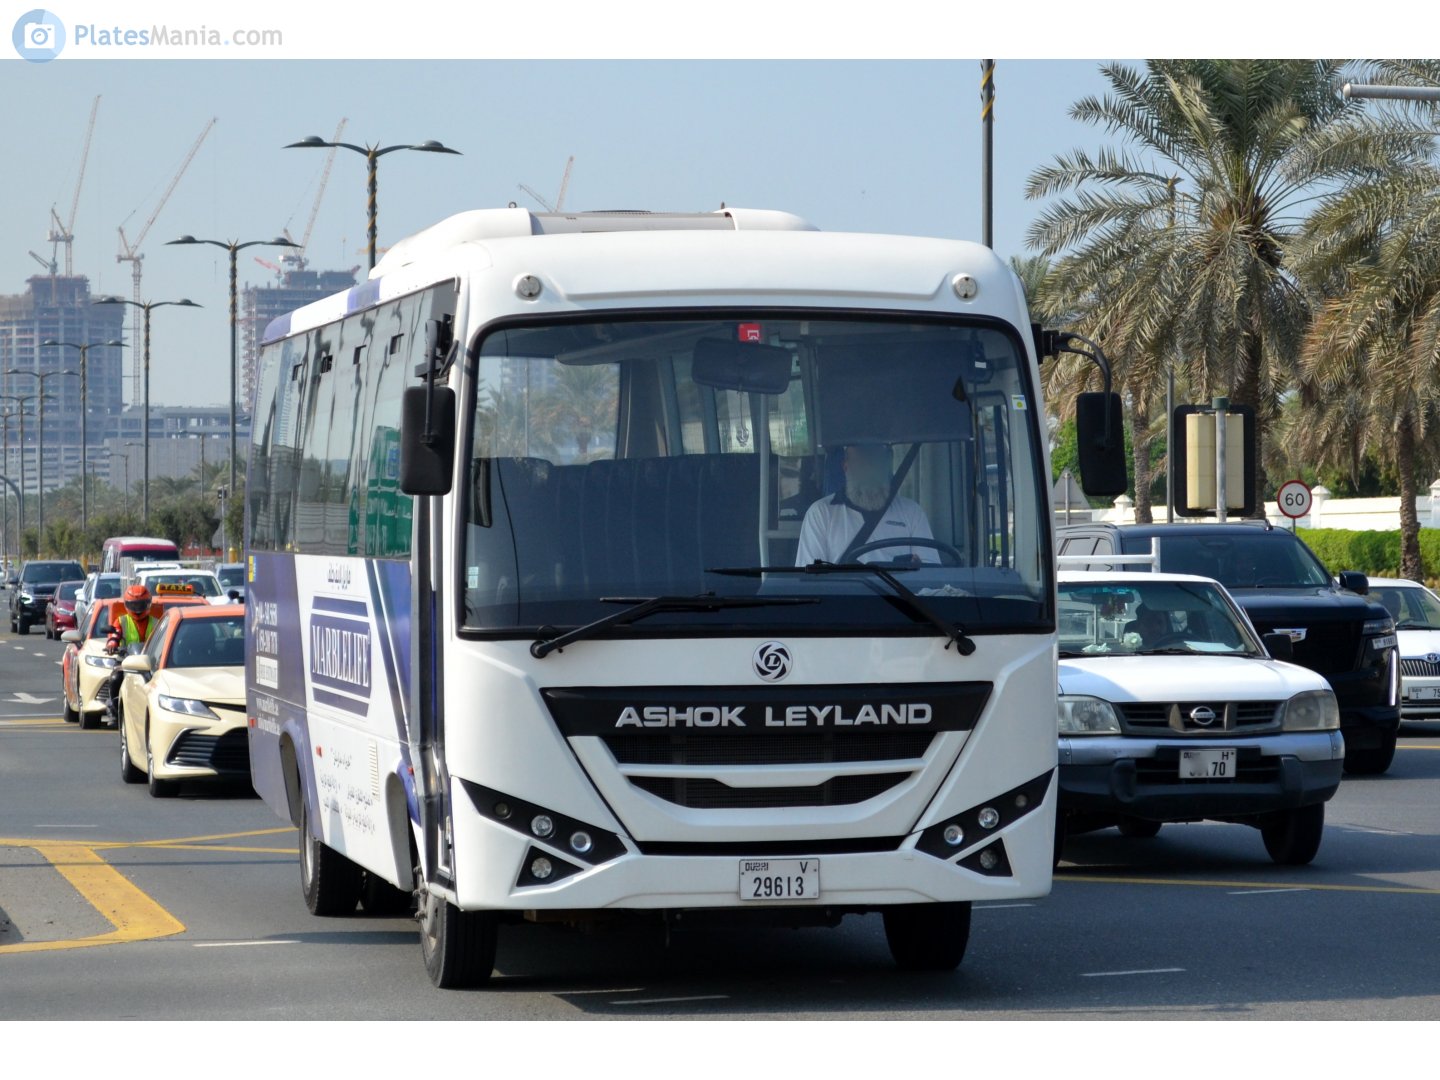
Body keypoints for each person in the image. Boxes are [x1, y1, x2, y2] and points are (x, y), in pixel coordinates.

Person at [795, 443, 937, 566]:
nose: (869, 468)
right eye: (861, 461)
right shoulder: (820, 513)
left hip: (900, 590)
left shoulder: (912, 512)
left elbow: (931, 576)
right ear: (845, 466)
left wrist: (917, 569)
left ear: (887, 465)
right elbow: (811, 579)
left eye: (876, 460)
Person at [103, 584, 156, 723]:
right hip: (125, 660)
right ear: (127, 605)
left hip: (148, 663)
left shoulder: (156, 623)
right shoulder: (121, 621)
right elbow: (114, 635)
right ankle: (113, 708)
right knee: (115, 678)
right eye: (134, 605)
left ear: (148, 603)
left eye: (141, 605)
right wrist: (112, 645)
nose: (137, 609)